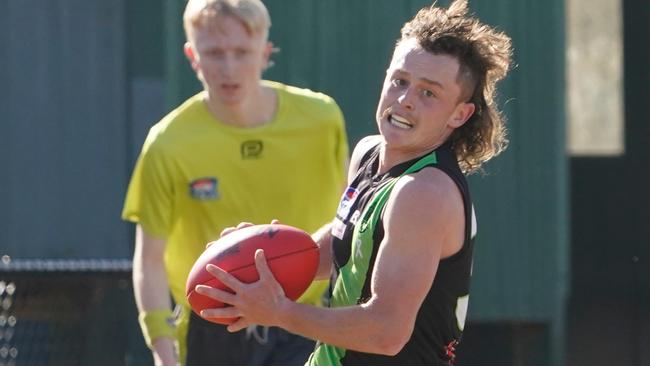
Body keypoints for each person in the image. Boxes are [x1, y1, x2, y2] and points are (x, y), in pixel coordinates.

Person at [194, 0, 513, 365]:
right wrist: (266, 263)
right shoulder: (370, 153)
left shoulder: (424, 193)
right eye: (399, 81)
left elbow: (385, 331)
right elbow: (353, 237)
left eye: (428, 92)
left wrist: (279, 311)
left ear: (460, 113)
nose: (405, 100)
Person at [121, 0, 349, 365]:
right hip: (214, 322)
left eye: (241, 52)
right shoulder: (168, 142)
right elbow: (149, 259)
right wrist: (163, 349)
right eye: (214, 53)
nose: (229, 68)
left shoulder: (322, 120)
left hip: (302, 321)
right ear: (192, 55)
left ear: (265, 52)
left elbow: (347, 219)